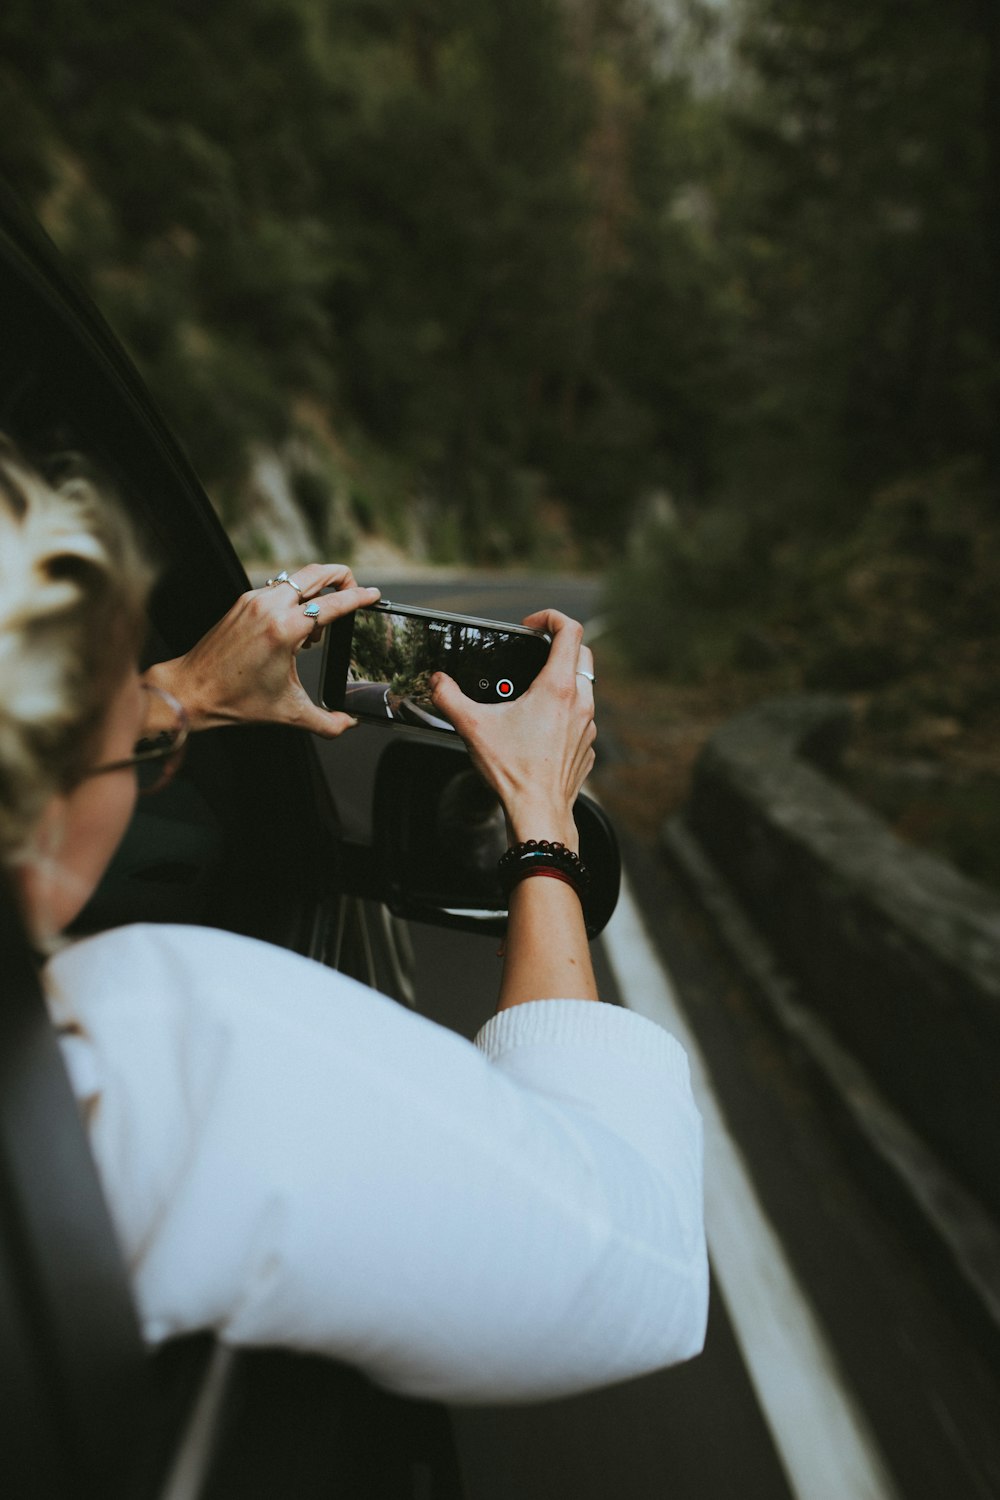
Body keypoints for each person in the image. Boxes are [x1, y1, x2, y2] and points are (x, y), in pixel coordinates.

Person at [0, 437, 708, 1403]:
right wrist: (541, 819)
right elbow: (648, 1264)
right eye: (106, 682)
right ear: (45, 816)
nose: (139, 709)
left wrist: (185, 694)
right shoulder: (166, 1053)